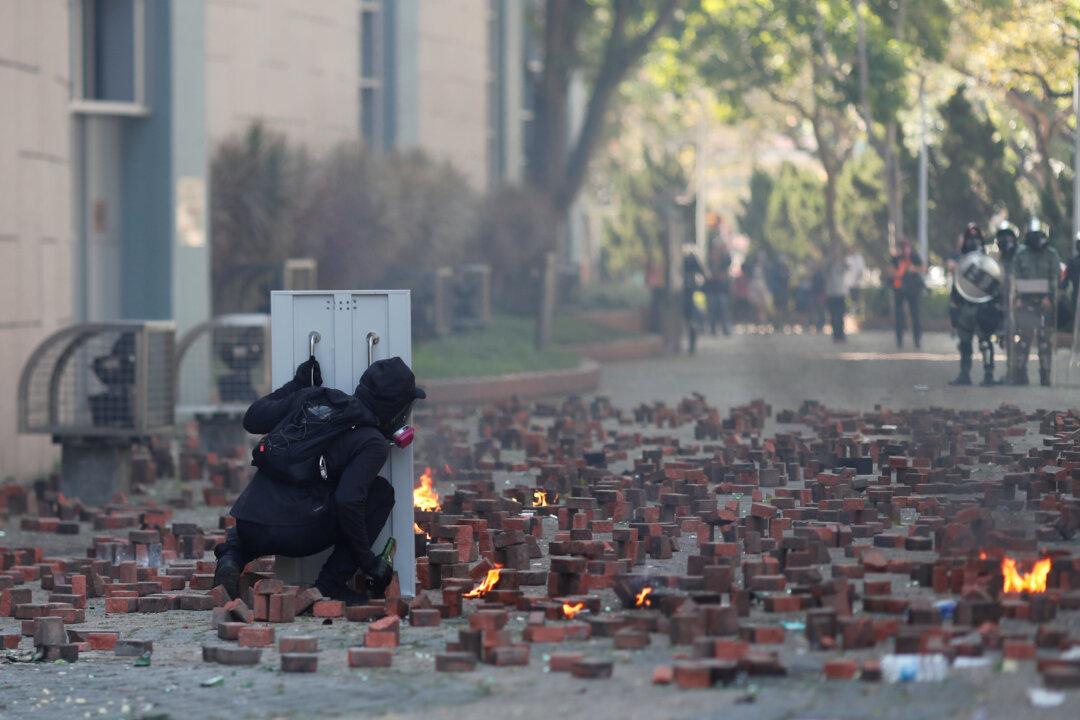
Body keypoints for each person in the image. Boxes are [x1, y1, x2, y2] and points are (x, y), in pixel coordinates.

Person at [213, 356, 426, 604]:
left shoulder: (315, 397)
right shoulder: (372, 442)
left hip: (251, 521)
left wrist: (296, 386)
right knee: (381, 494)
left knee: (246, 531)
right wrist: (368, 561)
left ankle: (231, 557)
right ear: (396, 408)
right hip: (296, 535)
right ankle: (331, 584)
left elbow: (252, 418)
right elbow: (348, 501)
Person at [947, 223, 1003, 386]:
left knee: (985, 342)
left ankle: (988, 375)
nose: (973, 241)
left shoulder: (988, 262)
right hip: (965, 306)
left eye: (976, 238)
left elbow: (994, 284)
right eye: (969, 238)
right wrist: (954, 306)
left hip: (984, 308)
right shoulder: (961, 262)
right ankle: (964, 374)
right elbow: (958, 286)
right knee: (964, 343)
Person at [1011, 218, 1060, 386]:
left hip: (1045, 303)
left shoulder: (1051, 254)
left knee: (1045, 341)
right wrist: (1017, 298)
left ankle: (1045, 375)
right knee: (1023, 339)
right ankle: (1020, 373)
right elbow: (1016, 277)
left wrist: (1049, 297)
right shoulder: (1021, 254)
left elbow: (1054, 278)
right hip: (1025, 303)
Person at [889, 238, 925, 349]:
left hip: (913, 288)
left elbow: (923, 268)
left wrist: (913, 268)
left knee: (915, 314)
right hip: (899, 288)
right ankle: (899, 339)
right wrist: (898, 271)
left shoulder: (914, 256)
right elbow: (890, 270)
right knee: (899, 315)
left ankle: (917, 339)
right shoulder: (896, 258)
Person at [682, 247, 707, 354]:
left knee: (690, 321)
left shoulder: (684, 268)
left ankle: (692, 345)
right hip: (694, 296)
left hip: (689, 297)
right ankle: (692, 345)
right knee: (694, 320)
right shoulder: (697, 285)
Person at [705, 242, 733, 336]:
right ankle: (713, 329)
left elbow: (729, 261)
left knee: (724, 310)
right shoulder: (710, 260)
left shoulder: (724, 259)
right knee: (712, 310)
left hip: (722, 289)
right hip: (712, 288)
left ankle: (726, 329)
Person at [824, 245, 849, 342]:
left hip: (840, 293)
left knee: (840, 315)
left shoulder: (842, 262)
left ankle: (841, 335)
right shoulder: (828, 263)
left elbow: (847, 267)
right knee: (833, 315)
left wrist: (841, 259)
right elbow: (824, 271)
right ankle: (835, 335)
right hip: (831, 293)